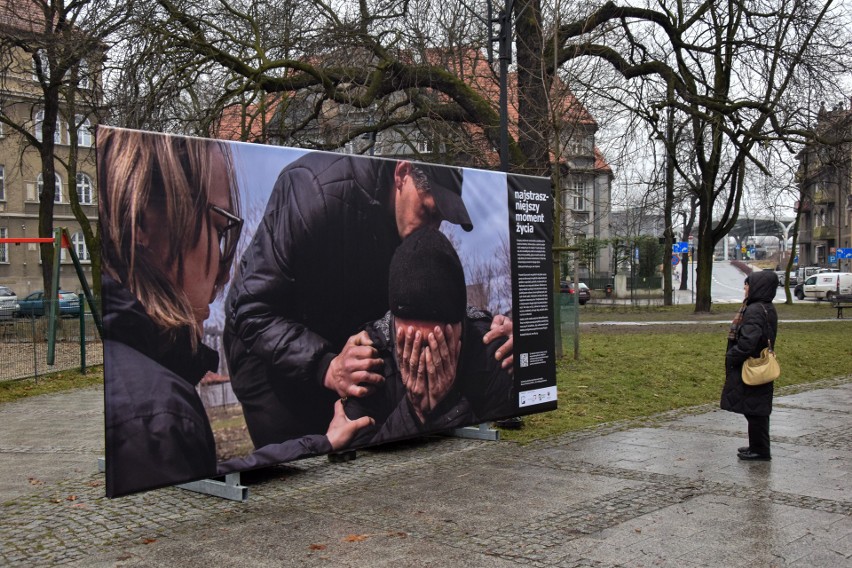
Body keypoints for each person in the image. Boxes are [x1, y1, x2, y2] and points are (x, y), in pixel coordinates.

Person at [98, 127, 371, 497]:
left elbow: (209, 472)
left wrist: (323, 442)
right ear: (144, 219)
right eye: (217, 227)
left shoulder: (143, 386)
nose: (224, 274)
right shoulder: (159, 415)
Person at [224, 152, 514, 448]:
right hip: (267, 359)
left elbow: (422, 297)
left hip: (338, 339)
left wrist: (487, 324)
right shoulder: (313, 191)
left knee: (355, 438)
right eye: (427, 212)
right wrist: (327, 366)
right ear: (402, 174)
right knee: (305, 457)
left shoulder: (404, 224)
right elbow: (249, 309)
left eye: (439, 219)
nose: (432, 229)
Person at [342, 227, 515, 447]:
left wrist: (450, 408)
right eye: (410, 343)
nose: (424, 361)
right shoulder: (368, 358)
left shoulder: (493, 351)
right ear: (394, 326)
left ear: (460, 325)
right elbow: (357, 452)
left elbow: (501, 445)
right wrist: (412, 412)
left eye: (437, 343)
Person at [720, 270, 779, 461]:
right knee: (755, 408)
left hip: (752, 365)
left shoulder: (754, 310)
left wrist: (732, 356)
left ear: (757, 287)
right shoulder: (766, 307)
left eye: (748, 284)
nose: (745, 288)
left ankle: (760, 450)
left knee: (755, 410)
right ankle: (757, 446)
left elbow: (748, 342)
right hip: (759, 362)